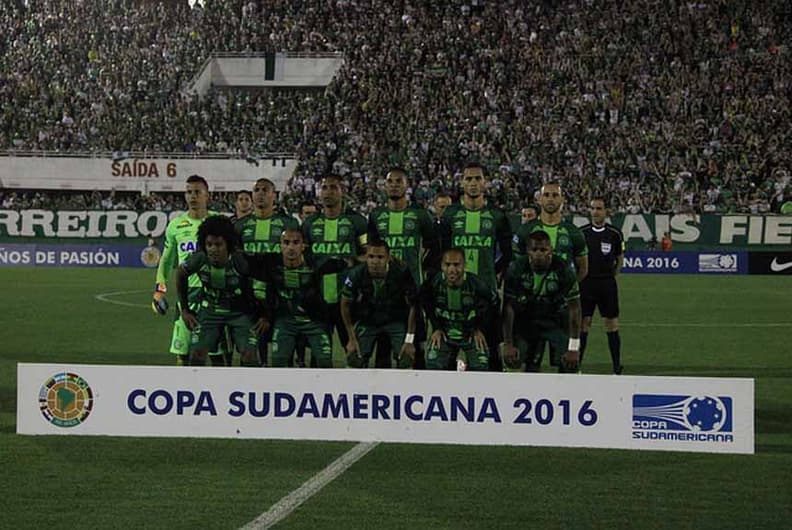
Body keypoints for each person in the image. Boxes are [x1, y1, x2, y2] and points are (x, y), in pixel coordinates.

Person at [440, 162, 512, 371]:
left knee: (490, 351)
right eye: (469, 179)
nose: (473, 183)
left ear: (485, 183)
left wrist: (493, 271)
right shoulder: (451, 215)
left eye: (477, 179)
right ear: (462, 183)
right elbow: (442, 253)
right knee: (448, 353)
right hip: (454, 293)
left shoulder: (497, 216)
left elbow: (507, 254)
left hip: (485, 294)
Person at [368, 167, 439, 368]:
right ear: (384, 186)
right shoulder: (376, 215)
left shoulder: (420, 215)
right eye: (390, 181)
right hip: (384, 289)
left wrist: (419, 270)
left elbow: (433, 247)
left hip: (414, 288)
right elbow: (371, 251)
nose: (394, 185)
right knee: (384, 345)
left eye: (399, 181)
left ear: (407, 186)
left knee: (416, 344)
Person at [511, 180, 588, 368]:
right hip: (531, 311)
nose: (551, 199)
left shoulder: (573, 232)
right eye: (546, 195)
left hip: (561, 313)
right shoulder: (526, 231)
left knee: (566, 364)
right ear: (540, 200)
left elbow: (582, 269)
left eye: (555, 195)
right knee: (529, 365)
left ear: (562, 199)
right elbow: (517, 269)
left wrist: (564, 292)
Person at [175, 215, 268, 367]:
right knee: (197, 353)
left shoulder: (240, 262)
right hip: (210, 310)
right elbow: (180, 273)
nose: (213, 249)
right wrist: (185, 310)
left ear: (228, 245)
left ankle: (248, 388)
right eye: (209, 244)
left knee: (249, 354)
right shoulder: (199, 258)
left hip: (239, 312)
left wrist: (265, 315)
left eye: (218, 245)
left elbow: (261, 286)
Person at [302, 175, 368, 360]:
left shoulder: (357, 221)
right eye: (324, 188)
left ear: (342, 191)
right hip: (319, 297)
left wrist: (350, 261)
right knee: (319, 355)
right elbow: (303, 258)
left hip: (348, 296)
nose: (328, 192)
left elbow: (369, 255)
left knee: (354, 353)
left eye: (333, 188)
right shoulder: (309, 224)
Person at [152, 174, 216, 366]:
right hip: (186, 296)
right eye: (189, 192)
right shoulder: (176, 226)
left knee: (215, 353)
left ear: (207, 196)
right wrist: (159, 290)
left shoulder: (218, 222)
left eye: (197, 192)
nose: (193, 196)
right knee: (183, 353)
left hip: (214, 294)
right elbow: (166, 260)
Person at [251, 228, 337, 368]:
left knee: (325, 362)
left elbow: (345, 267)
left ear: (303, 246)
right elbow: (264, 293)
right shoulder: (271, 265)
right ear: (280, 246)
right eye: (286, 242)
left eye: (296, 242)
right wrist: (265, 316)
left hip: (313, 322)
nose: (291, 247)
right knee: (278, 361)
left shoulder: (318, 265)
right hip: (286, 321)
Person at [235, 178, 299, 366]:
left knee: (285, 346)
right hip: (251, 296)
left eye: (265, 190)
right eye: (257, 190)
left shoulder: (288, 224)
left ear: (274, 195)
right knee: (253, 345)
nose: (260, 193)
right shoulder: (240, 226)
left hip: (282, 294)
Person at [502, 231, 582, 373]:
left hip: (554, 322)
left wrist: (573, 348)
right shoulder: (516, 269)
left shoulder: (564, 270)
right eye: (534, 250)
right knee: (513, 360)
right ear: (528, 251)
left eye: (543, 250)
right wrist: (508, 344)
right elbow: (508, 307)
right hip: (526, 322)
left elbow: (574, 309)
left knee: (571, 363)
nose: (539, 254)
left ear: (550, 250)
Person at [340, 239, 418, 368]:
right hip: (367, 321)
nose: (375, 262)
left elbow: (413, 306)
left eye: (380, 257)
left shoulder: (402, 272)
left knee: (406, 358)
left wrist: (409, 340)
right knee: (354, 358)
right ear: (366, 257)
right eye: (371, 257)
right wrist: (351, 338)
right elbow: (344, 304)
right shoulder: (356, 274)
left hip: (395, 320)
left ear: (388, 258)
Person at [419, 248, 500, 371]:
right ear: (442, 266)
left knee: (481, 366)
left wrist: (480, 329)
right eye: (447, 265)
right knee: (433, 364)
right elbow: (425, 302)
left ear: (464, 266)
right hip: (445, 334)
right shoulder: (433, 283)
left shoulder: (477, 285)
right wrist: (436, 327)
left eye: (457, 265)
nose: (452, 269)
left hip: (470, 335)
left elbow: (494, 305)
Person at [579, 197, 624, 374]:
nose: (596, 212)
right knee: (583, 324)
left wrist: (613, 274)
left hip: (607, 285)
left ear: (606, 211)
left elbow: (619, 258)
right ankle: (577, 366)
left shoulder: (614, 233)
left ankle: (616, 366)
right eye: (593, 208)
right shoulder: (582, 233)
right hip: (586, 284)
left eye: (599, 208)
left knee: (611, 324)